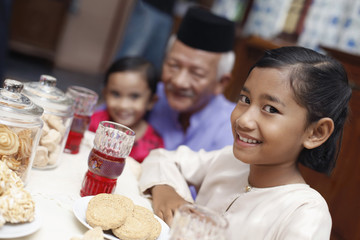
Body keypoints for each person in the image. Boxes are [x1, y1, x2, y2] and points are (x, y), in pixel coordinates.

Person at [139, 46, 352, 239]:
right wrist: (165, 190)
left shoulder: (305, 212)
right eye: (245, 99)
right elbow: (161, 157)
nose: (243, 120)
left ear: (316, 132)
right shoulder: (227, 161)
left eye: (270, 109)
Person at [147, 6, 237, 151]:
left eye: (197, 74)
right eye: (173, 66)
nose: (179, 82)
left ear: (221, 83)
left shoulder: (233, 128)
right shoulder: (147, 96)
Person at [89, 56, 164, 163]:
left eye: (134, 96)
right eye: (115, 94)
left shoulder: (155, 147)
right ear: (105, 94)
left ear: (151, 101)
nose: (123, 105)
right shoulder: (92, 124)